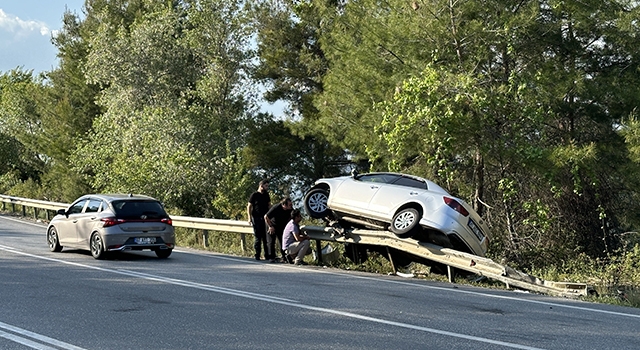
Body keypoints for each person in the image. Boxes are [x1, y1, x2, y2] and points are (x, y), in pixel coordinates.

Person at [264, 197, 293, 263]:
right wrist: (270, 226)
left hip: (281, 226)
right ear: (284, 205)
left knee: (282, 242)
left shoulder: (290, 210)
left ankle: (284, 257)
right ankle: (271, 257)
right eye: (289, 205)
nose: (291, 206)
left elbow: (292, 217)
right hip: (272, 224)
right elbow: (266, 216)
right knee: (271, 241)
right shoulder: (276, 207)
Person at [247, 179, 271, 260]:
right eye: (266, 186)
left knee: (265, 237)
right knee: (258, 237)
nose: (267, 187)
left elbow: (269, 205)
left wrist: (270, 216)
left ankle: (267, 255)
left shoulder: (266, 195)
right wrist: (249, 217)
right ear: (261, 185)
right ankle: (257, 254)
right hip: (256, 218)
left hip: (265, 218)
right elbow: (249, 206)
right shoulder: (254, 195)